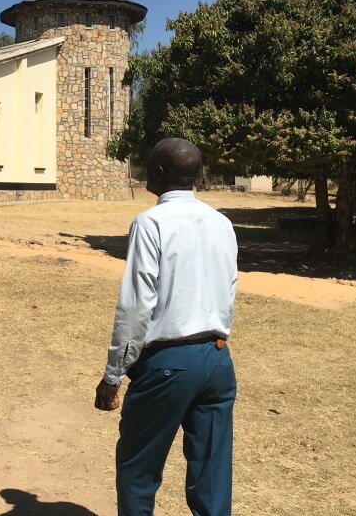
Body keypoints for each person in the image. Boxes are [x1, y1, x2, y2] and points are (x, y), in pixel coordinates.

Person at [94, 138, 238, 516]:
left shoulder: (150, 223)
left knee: (138, 468)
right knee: (211, 474)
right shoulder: (222, 223)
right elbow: (229, 291)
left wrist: (113, 375)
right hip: (218, 359)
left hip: (167, 363)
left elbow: (136, 305)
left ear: (157, 174)